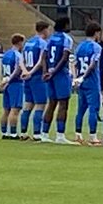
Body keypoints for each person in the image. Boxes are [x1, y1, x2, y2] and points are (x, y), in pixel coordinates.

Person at [40, 16, 74, 144]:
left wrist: (45, 71)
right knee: (63, 104)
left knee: (51, 103)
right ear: (65, 25)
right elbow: (65, 57)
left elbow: (44, 56)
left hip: (49, 73)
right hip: (60, 74)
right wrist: (54, 72)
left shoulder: (51, 39)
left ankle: (44, 133)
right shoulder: (66, 39)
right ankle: (60, 135)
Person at [71, 22, 103, 146]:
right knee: (93, 109)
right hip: (91, 81)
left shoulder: (79, 46)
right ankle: (93, 136)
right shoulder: (96, 47)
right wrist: (83, 77)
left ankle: (78, 135)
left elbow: (73, 63)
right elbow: (93, 64)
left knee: (81, 110)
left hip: (80, 81)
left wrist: (75, 78)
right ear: (96, 33)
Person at [19, 21, 51, 140]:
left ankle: (23, 132)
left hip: (27, 78)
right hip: (37, 77)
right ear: (44, 30)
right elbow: (41, 61)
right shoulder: (42, 43)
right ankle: (37, 134)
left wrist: (24, 71)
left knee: (27, 105)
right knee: (40, 105)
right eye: (48, 30)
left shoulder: (28, 43)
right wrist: (31, 72)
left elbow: (21, 59)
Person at [0, 34, 26, 139]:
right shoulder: (17, 55)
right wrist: (10, 80)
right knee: (15, 109)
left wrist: (3, 81)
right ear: (20, 43)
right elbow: (17, 70)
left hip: (6, 83)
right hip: (15, 83)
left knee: (6, 110)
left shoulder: (6, 54)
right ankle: (13, 133)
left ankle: (4, 132)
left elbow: (2, 69)